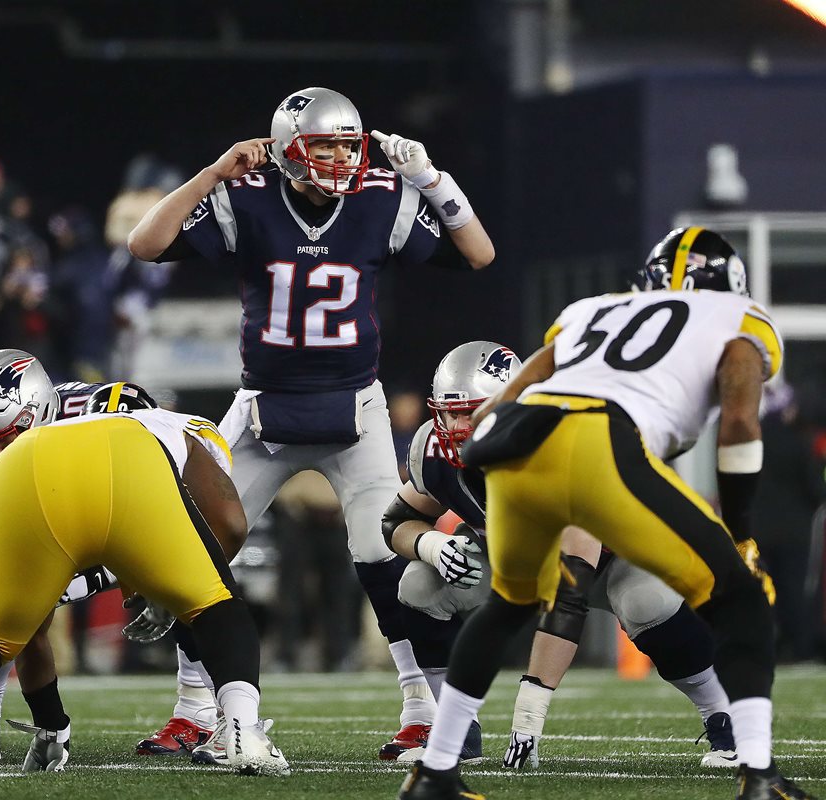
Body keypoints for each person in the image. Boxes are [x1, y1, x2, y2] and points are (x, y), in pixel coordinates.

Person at [127, 86, 495, 759]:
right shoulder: (249, 194)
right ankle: (195, 709)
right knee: (190, 552)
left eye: (349, 145)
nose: (340, 158)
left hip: (354, 406)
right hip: (263, 404)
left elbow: (478, 253)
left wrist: (432, 180)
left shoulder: (384, 195)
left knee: (384, 559)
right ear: (289, 148)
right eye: (325, 144)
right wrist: (213, 174)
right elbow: (144, 242)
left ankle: (423, 708)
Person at [399, 227, 814, 800]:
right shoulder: (739, 318)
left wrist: (486, 437)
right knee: (742, 596)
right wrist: (741, 531)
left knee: (508, 603)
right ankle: (760, 776)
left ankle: (436, 775)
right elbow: (741, 425)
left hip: (520, 445)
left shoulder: (593, 310)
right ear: (732, 286)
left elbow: (523, 385)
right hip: (599, 446)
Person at [0, 365, 288, 778]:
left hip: (29, 476)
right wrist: (170, 589)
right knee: (217, 604)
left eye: (2, 440)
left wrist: (52, 725)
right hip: (130, 460)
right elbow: (230, 526)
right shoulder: (171, 427)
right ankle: (241, 727)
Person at [385, 341, 737, 770]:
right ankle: (455, 731)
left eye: (470, 411)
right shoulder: (433, 451)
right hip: (515, 559)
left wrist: (530, 713)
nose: (456, 425)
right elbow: (395, 521)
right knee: (420, 584)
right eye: (449, 412)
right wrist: (432, 546)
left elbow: (569, 590)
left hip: (611, 559)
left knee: (649, 604)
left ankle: (724, 714)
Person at [0, 352, 114, 763]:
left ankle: (198, 709)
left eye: (3, 439)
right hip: (49, 534)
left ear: (40, 413)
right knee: (5, 594)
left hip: (122, 522)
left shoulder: (99, 420)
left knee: (190, 591)